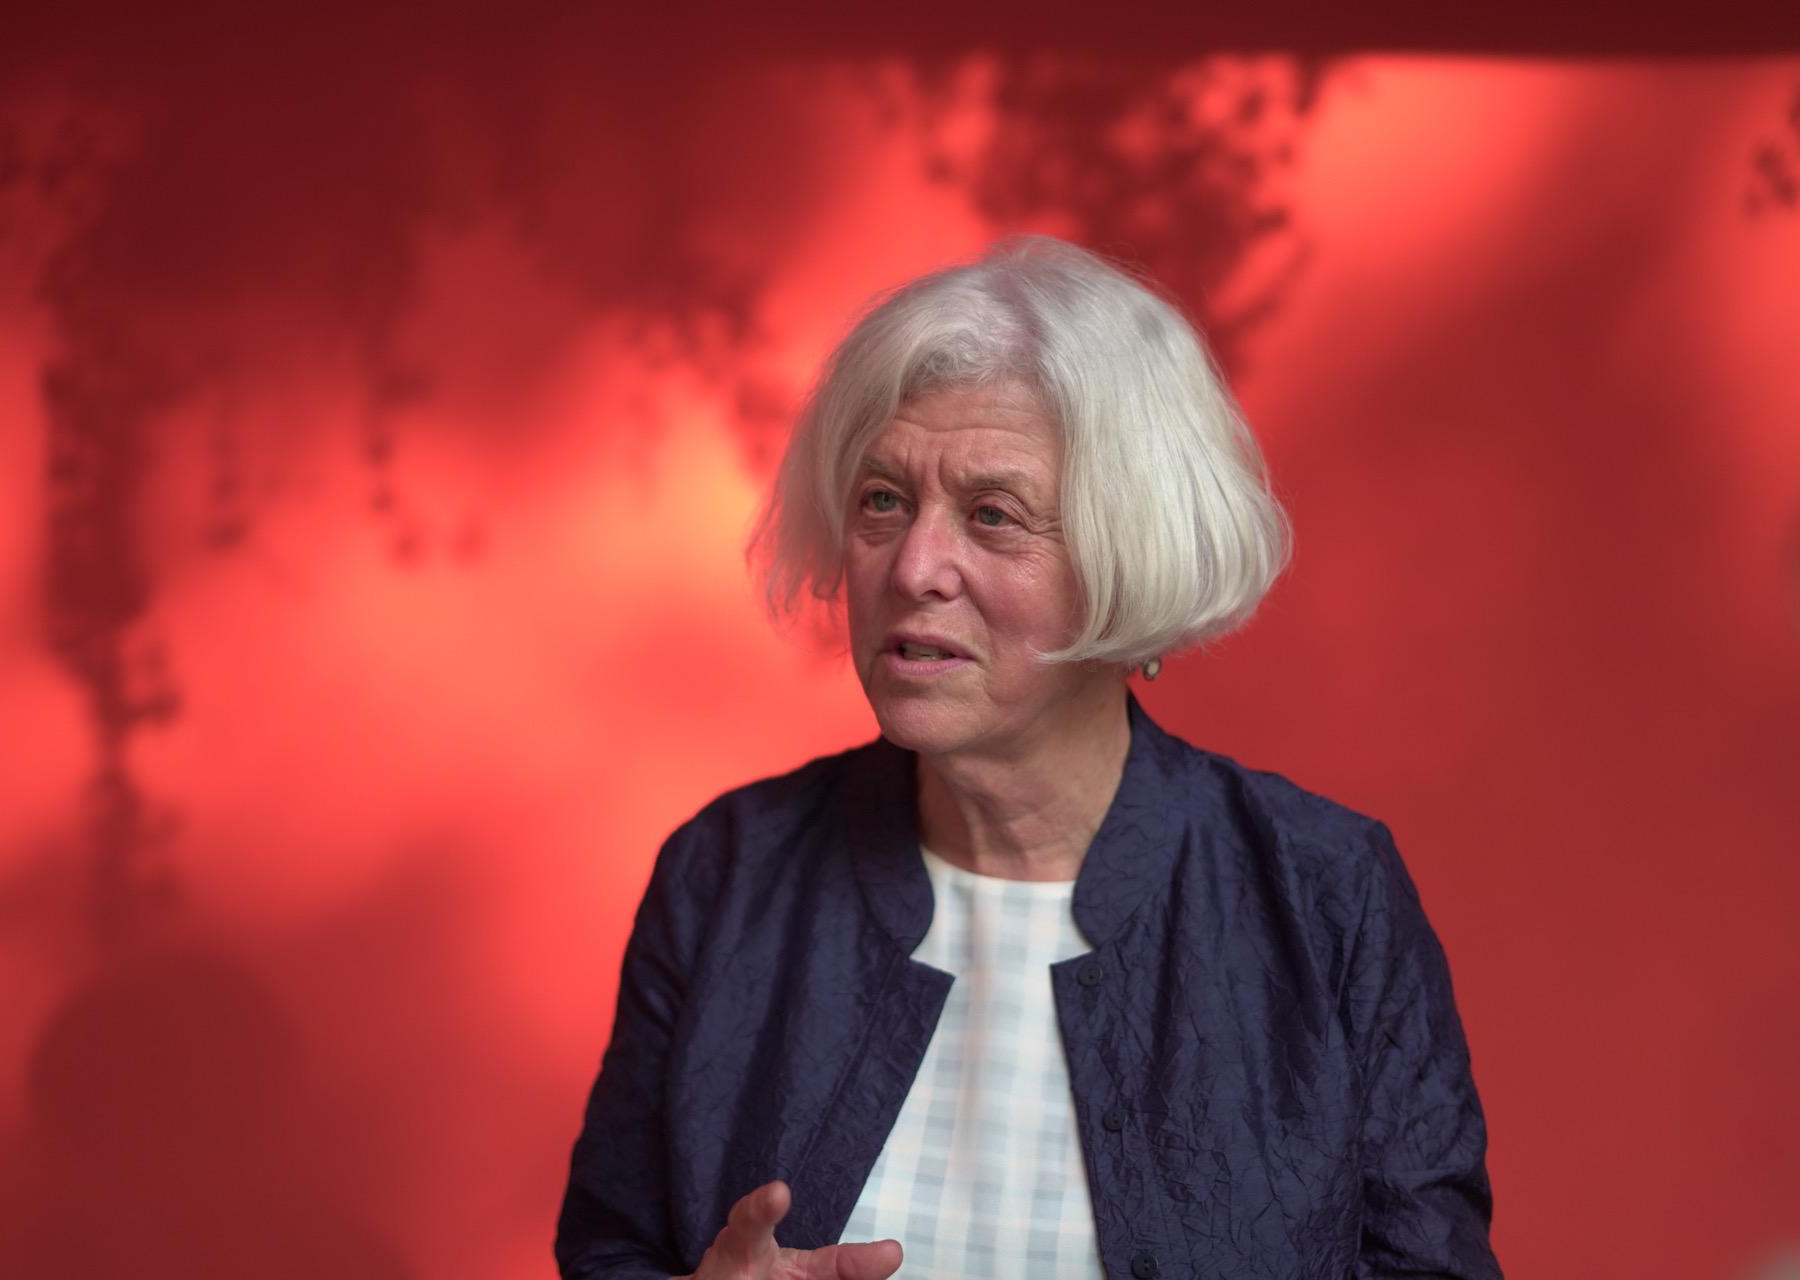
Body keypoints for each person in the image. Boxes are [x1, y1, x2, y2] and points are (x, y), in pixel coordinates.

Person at [555, 236, 1501, 1279]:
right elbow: (611, 1247)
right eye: (882, 500)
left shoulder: (1325, 892)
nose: (914, 564)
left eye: (991, 515)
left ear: (1126, 556)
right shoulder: (727, 869)